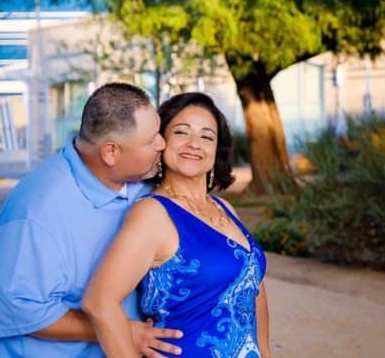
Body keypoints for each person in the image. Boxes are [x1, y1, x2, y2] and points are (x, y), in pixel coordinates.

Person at [0, 82, 184, 357]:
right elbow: (18, 307)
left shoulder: (142, 186)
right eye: (151, 139)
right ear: (110, 152)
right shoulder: (37, 210)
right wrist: (121, 329)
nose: (162, 144)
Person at [82, 92, 271, 358]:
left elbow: (253, 289)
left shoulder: (224, 209)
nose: (195, 143)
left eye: (207, 136)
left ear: (216, 150)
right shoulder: (152, 213)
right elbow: (99, 302)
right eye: (182, 132)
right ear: (161, 141)